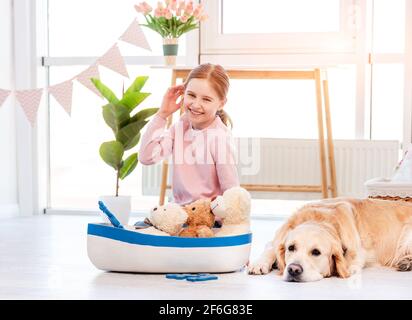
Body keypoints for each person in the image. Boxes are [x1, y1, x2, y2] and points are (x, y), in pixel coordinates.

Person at [139, 63, 239, 205]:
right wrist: (162, 114)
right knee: (141, 225)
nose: (196, 104)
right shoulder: (180, 127)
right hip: (178, 213)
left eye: (206, 99)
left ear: (221, 103)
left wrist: (226, 224)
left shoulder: (220, 137)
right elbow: (147, 157)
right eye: (191, 95)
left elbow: (231, 191)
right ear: (183, 93)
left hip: (208, 217)